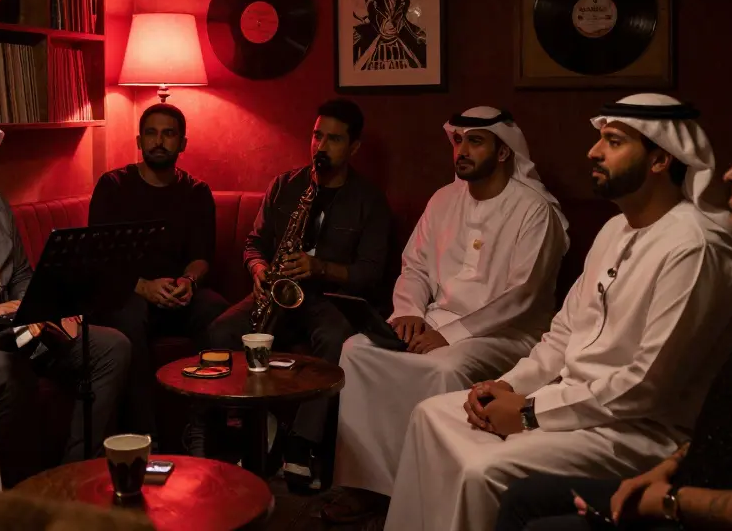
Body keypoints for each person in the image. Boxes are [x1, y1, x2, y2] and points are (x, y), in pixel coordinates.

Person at [383, 93, 732, 531]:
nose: (593, 151)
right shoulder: (614, 228)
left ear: (660, 159)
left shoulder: (693, 248)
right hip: (570, 405)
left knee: (481, 470)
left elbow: (646, 385)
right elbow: (562, 335)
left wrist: (528, 411)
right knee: (430, 415)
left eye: (613, 141)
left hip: (637, 431)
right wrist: (505, 385)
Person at [494, 98, 732, 531]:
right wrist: (668, 470)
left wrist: (669, 500)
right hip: (689, 473)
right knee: (522, 498)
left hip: (709, 496)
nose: (730, 172)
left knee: (527, 506)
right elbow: (727, 417)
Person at [324, 107, 570, 524]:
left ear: (505, 151)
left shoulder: (533, 211)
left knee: (443, 369)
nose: (462, 149)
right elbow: (415, 266)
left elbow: (522, 297)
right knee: (357, 351)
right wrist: (408, 313)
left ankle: (429, 490)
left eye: (475, 141)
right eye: (458, 140)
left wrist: (451, 335)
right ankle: (366, 486)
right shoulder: (443, 199)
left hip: (508, 334)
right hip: (435, 322)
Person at [0, 99, 130, 487]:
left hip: (16, 329)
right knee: (7, 372)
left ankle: (74, 478)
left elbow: (22, 275)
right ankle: (20, 495)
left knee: (111, 347)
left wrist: (43, 309)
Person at [209, 97, 393, 490]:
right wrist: (258, 269)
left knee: (334, 340)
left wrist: (320, 267)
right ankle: (238, 431)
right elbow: (254, 244)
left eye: (334, 139)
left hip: (328, 298)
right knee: (220, 333)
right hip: (277, 289)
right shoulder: (284, 185)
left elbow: (371, 275)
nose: (321, 147)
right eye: (317, 136)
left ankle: (300, 443)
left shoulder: (370, 201)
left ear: (354, 147)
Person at [87, 104, 229, 442]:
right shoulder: (113, 186)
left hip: (177, 294)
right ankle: (145, 437)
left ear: (183, 143)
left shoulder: (196, 192)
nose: (159, 141)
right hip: (126, 292)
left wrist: (188, 282)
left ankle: (205, 427)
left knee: (219, 312)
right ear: (139, 140)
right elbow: (98, 258)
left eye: (168, 134)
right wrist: (143, 287)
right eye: (151, 133)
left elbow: (202, 257)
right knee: (130, 316)